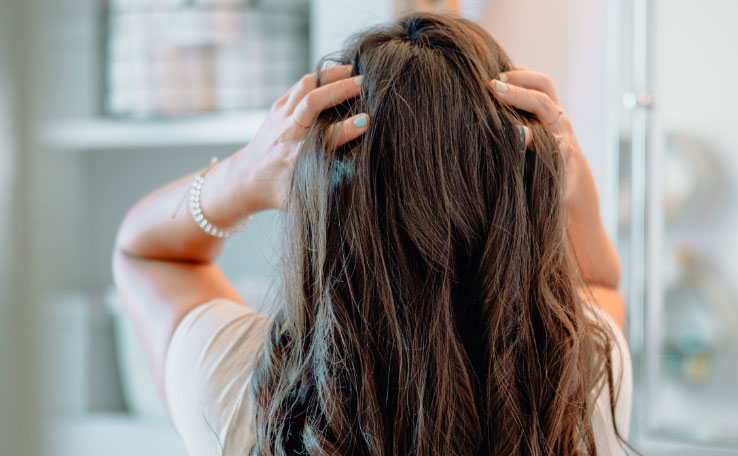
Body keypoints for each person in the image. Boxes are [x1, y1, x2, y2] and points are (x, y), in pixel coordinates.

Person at [113, 13, 631, 456]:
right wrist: (572, 182)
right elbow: (600, 285)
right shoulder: (581, 390)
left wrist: (246, 175)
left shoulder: (246, 392)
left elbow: (146, 255)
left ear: (331, 196)